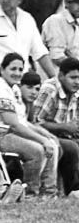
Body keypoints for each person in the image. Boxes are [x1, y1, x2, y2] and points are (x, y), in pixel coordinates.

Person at [0, 53, 59, 197]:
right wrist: (42, 140)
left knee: (52, 143)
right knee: (37, 150)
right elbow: (14, 125)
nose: (17, 73)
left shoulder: (13, 88)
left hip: (3, 132)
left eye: (20, 69)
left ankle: (48, 192)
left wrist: (45, 135)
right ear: (2, 69)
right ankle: (30, 193)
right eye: (13, 69)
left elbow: (21, 121)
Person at [30, 56, 79, 197]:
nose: (77, 82)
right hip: (44, 136)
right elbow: (35, 122)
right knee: (72, 148)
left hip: (66, 135)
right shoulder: (49, 90)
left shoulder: (74, 92)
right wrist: (64, 127)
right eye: (73, 77)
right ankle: (74, 190)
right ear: (61, 75)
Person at [40, 0, 79, 67]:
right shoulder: (55, 21)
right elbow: (56, 57)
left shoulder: (76, 23)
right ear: (66, 3)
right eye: (77, 2)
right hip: (53, 74)